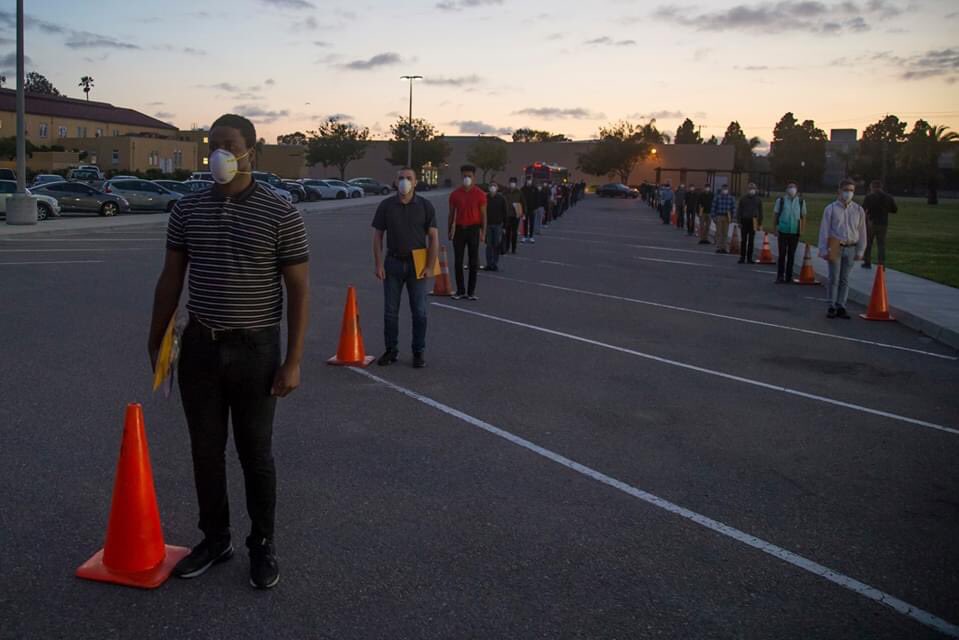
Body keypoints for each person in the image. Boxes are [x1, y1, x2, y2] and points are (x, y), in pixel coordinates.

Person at [148, 113, 310, 590]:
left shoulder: (282, 213)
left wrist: (294, 360)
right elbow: (172, 277)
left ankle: (263, 543)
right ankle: (216, 538)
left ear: (249, 154)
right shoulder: (187, 209)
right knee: (205, 450)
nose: (218, 153)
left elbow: (299, 290)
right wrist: (156, 334)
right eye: (212, 144)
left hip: (256, 349)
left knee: (255, 453)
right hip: (201, 344)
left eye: (228, 144)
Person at [372, 167, 439, 368]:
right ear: (395, 181)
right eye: (401, 178)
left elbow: (434, 238)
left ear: (416, 182)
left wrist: (429, 266)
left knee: (419, 311)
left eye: (409, 178)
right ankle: (391, 350)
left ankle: (418, 351)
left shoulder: (426, 206)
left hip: (417, 263)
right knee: (390, 311)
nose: (404, 182)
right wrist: (378, 264)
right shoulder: (386, 206)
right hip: (392, 262)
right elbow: (377, 236)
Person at [817, 179, 867, 319]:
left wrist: (861, 250)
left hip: (850, 246)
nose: (848, 193)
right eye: (846, 190)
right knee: (834, 277)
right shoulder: (831, 209)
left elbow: (862, 231)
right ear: (839, 191)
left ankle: (841, 305)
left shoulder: (858, 210)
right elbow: (824, 230)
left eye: (851, 190)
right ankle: (831, 305)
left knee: (845, 279)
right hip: (835, 245)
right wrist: (823, 249)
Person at [448, 164, 487, 300]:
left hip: (474, 229)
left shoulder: (480, 194)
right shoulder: (455, 194)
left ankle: (471, 292)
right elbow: (451, 214)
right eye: (464, 176)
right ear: (461, 177)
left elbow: (483, 215)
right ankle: (460, 290)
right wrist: (449, 230)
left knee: (473, 261)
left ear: (474, 177)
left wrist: (483, 231)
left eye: (469, 176)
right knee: (458, 261)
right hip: (459, 229)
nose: (467, 179)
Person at [773, 180, 807, 283]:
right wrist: (775, 228)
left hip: (794, 232)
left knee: (791, 255)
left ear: (796, 190)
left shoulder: (801, 201)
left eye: (794, 187)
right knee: (782, 254)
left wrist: (801, 230)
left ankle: (789, 276)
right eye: (790, 187)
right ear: (787, 190)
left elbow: (803, 216)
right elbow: (775, 214)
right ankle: (780, 276)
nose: (792, 189)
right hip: (783, 231)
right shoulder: (781, 200)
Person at [861, 179, 897, 269]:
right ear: (881, 187)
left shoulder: (869, 197)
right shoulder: (889, 197)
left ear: (872, 187)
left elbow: (863, 209)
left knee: (868, 243)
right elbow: (894, 210)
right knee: (881, 245)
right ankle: (881, 264)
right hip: (883, 223)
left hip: (871, 222)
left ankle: (867, 262)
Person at [736, 182, 763, 264]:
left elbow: (761, 212)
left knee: (751, 240)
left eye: (753, 188)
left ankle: (749, 258)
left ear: (755, 189)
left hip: (754, 221)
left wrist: (759, 223)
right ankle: (742, 257)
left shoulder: (758, 199)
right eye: (750, 188)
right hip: (744, 220)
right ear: (747, 189)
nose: (751, 190)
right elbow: (739, 211)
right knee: (743, 240)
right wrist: (739, 221)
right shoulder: (743, 199)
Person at [483, 181, 508, 272]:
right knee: (489, 245)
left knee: (496, 245)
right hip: (488, 225)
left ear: (497, 188)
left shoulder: (501, 198)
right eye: (491, 186)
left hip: (498, 225)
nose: (492, 188)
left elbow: (505, 213)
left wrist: (505, 226)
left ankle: (495, 264)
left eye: (494, 186)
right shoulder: (485, 198)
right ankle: (489, 264)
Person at [710, 184, 736, 253]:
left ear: (728, 189)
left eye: (726, 189)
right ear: (721, 189)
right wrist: (713, 217)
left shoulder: (731, 198)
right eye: (724, 189)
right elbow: (713, 207)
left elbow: (733, 208)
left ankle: (724, 247)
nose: (725, 190)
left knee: (725, 233)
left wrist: (733, 217)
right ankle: (719, 247)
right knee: (719, 232)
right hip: (719, 216)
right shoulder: (717, 197)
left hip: (727, 217)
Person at [502, 177, 523, 254]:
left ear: (516, 183)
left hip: (515, 215)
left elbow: (523, 202)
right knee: (507, 232)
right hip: (507, 215)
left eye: (514, 182)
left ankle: (513, 248)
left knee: (514, 233)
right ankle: (506, 247)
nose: (512, 184)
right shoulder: (505, 192)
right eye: (511, 182)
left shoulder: (519, 192)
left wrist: (523, 213)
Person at [521, 176, 538, 244]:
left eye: (530, 180)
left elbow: (537, 199)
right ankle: (524, 236)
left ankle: (531, 237)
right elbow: (521, 199)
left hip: (532, 209)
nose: (529, 181)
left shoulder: (534, 189)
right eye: (528, 180)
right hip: (525, 209)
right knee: (525, 223)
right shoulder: (523, 189)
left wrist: (535, 208)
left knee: (532, 223)